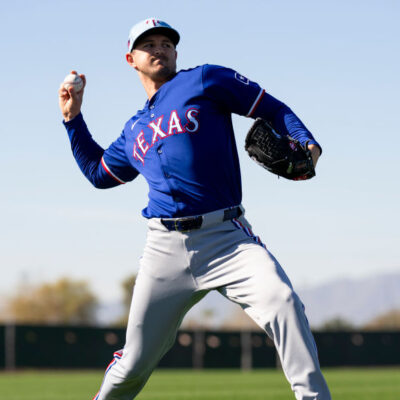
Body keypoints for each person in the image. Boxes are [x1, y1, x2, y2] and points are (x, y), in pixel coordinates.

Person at [59, 18, 331, 400]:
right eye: (148, 44)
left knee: (284, 303)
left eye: (166, 43)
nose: (159, 48)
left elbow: (270, 107)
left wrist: (305, 141)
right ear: (131, 59)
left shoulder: (205, 79)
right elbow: (99, 173)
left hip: (227, 238)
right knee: (133, 364)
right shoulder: (134, 129)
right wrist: (73, 120)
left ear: (175, 52)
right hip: (163, 250)